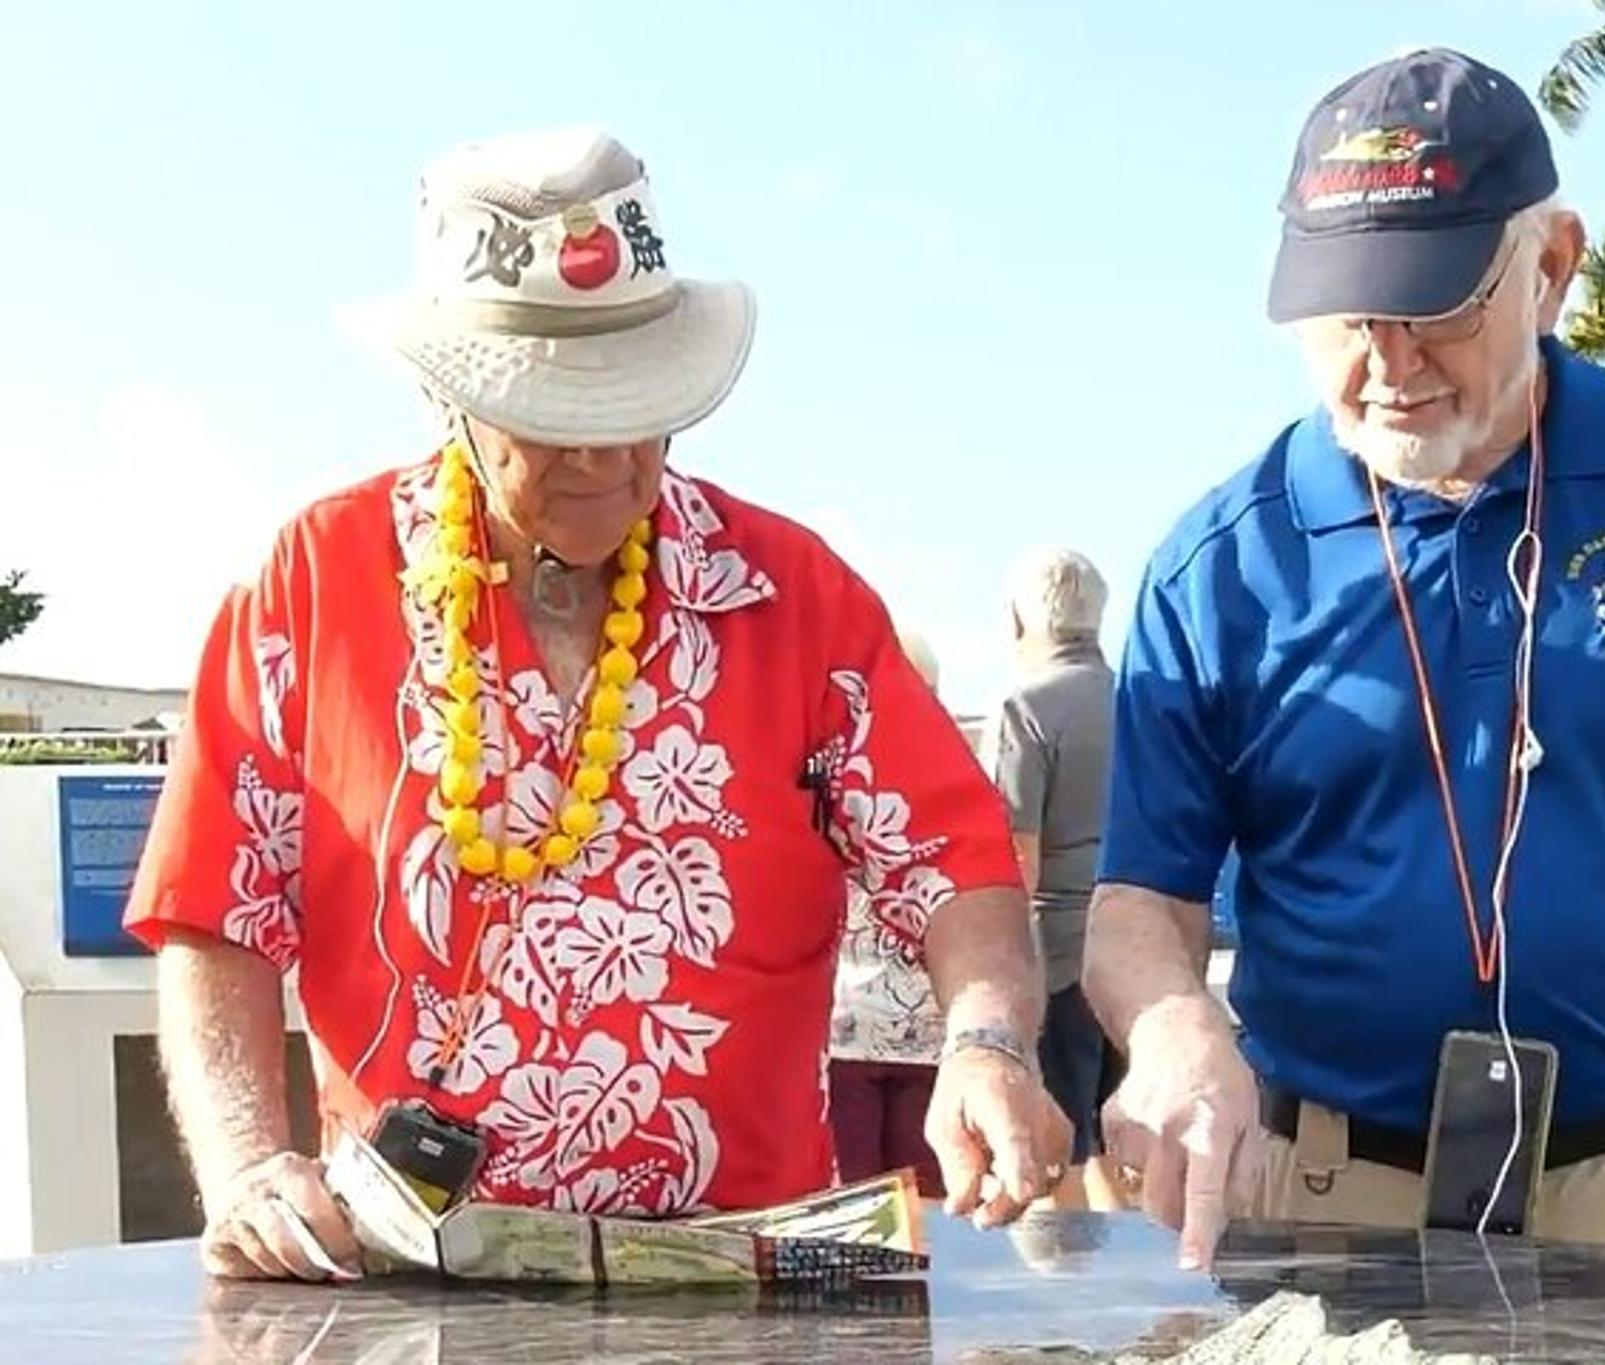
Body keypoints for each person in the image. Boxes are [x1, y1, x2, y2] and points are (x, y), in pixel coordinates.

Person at [124, 127, 1068, 1282]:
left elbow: (953, 862)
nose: (609, 459)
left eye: (641, 409)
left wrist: (984, 1046)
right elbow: (217, 910)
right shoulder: (312, 582)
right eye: (556, 420)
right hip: (411, 1274)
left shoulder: (796, 593)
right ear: (452, 398)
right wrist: (244, 1168)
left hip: (740, 1277)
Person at [1083, 50, 1605, 1274]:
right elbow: (1139, 903)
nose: (1386, 363)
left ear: (1550, 268)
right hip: (1332, 1197)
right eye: (1344, 316)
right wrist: (1173, 1023)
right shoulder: (1216, 564)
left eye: (1434, 305)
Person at [985, 549, 1121, 1210]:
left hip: (1059, 951)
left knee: (1060, 1148)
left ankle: (1073, 1308)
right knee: (1123, 1148)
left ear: (1018, 619)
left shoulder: (1025, 706)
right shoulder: (1144, 698)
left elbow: (1017, 851)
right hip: (1141, 948)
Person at [828, 629, 949, 1195]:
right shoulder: (959, 786)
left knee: (851, 1205)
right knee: (925, 1208)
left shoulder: (828, 778)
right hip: (925, 1030)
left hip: (847, 1028)